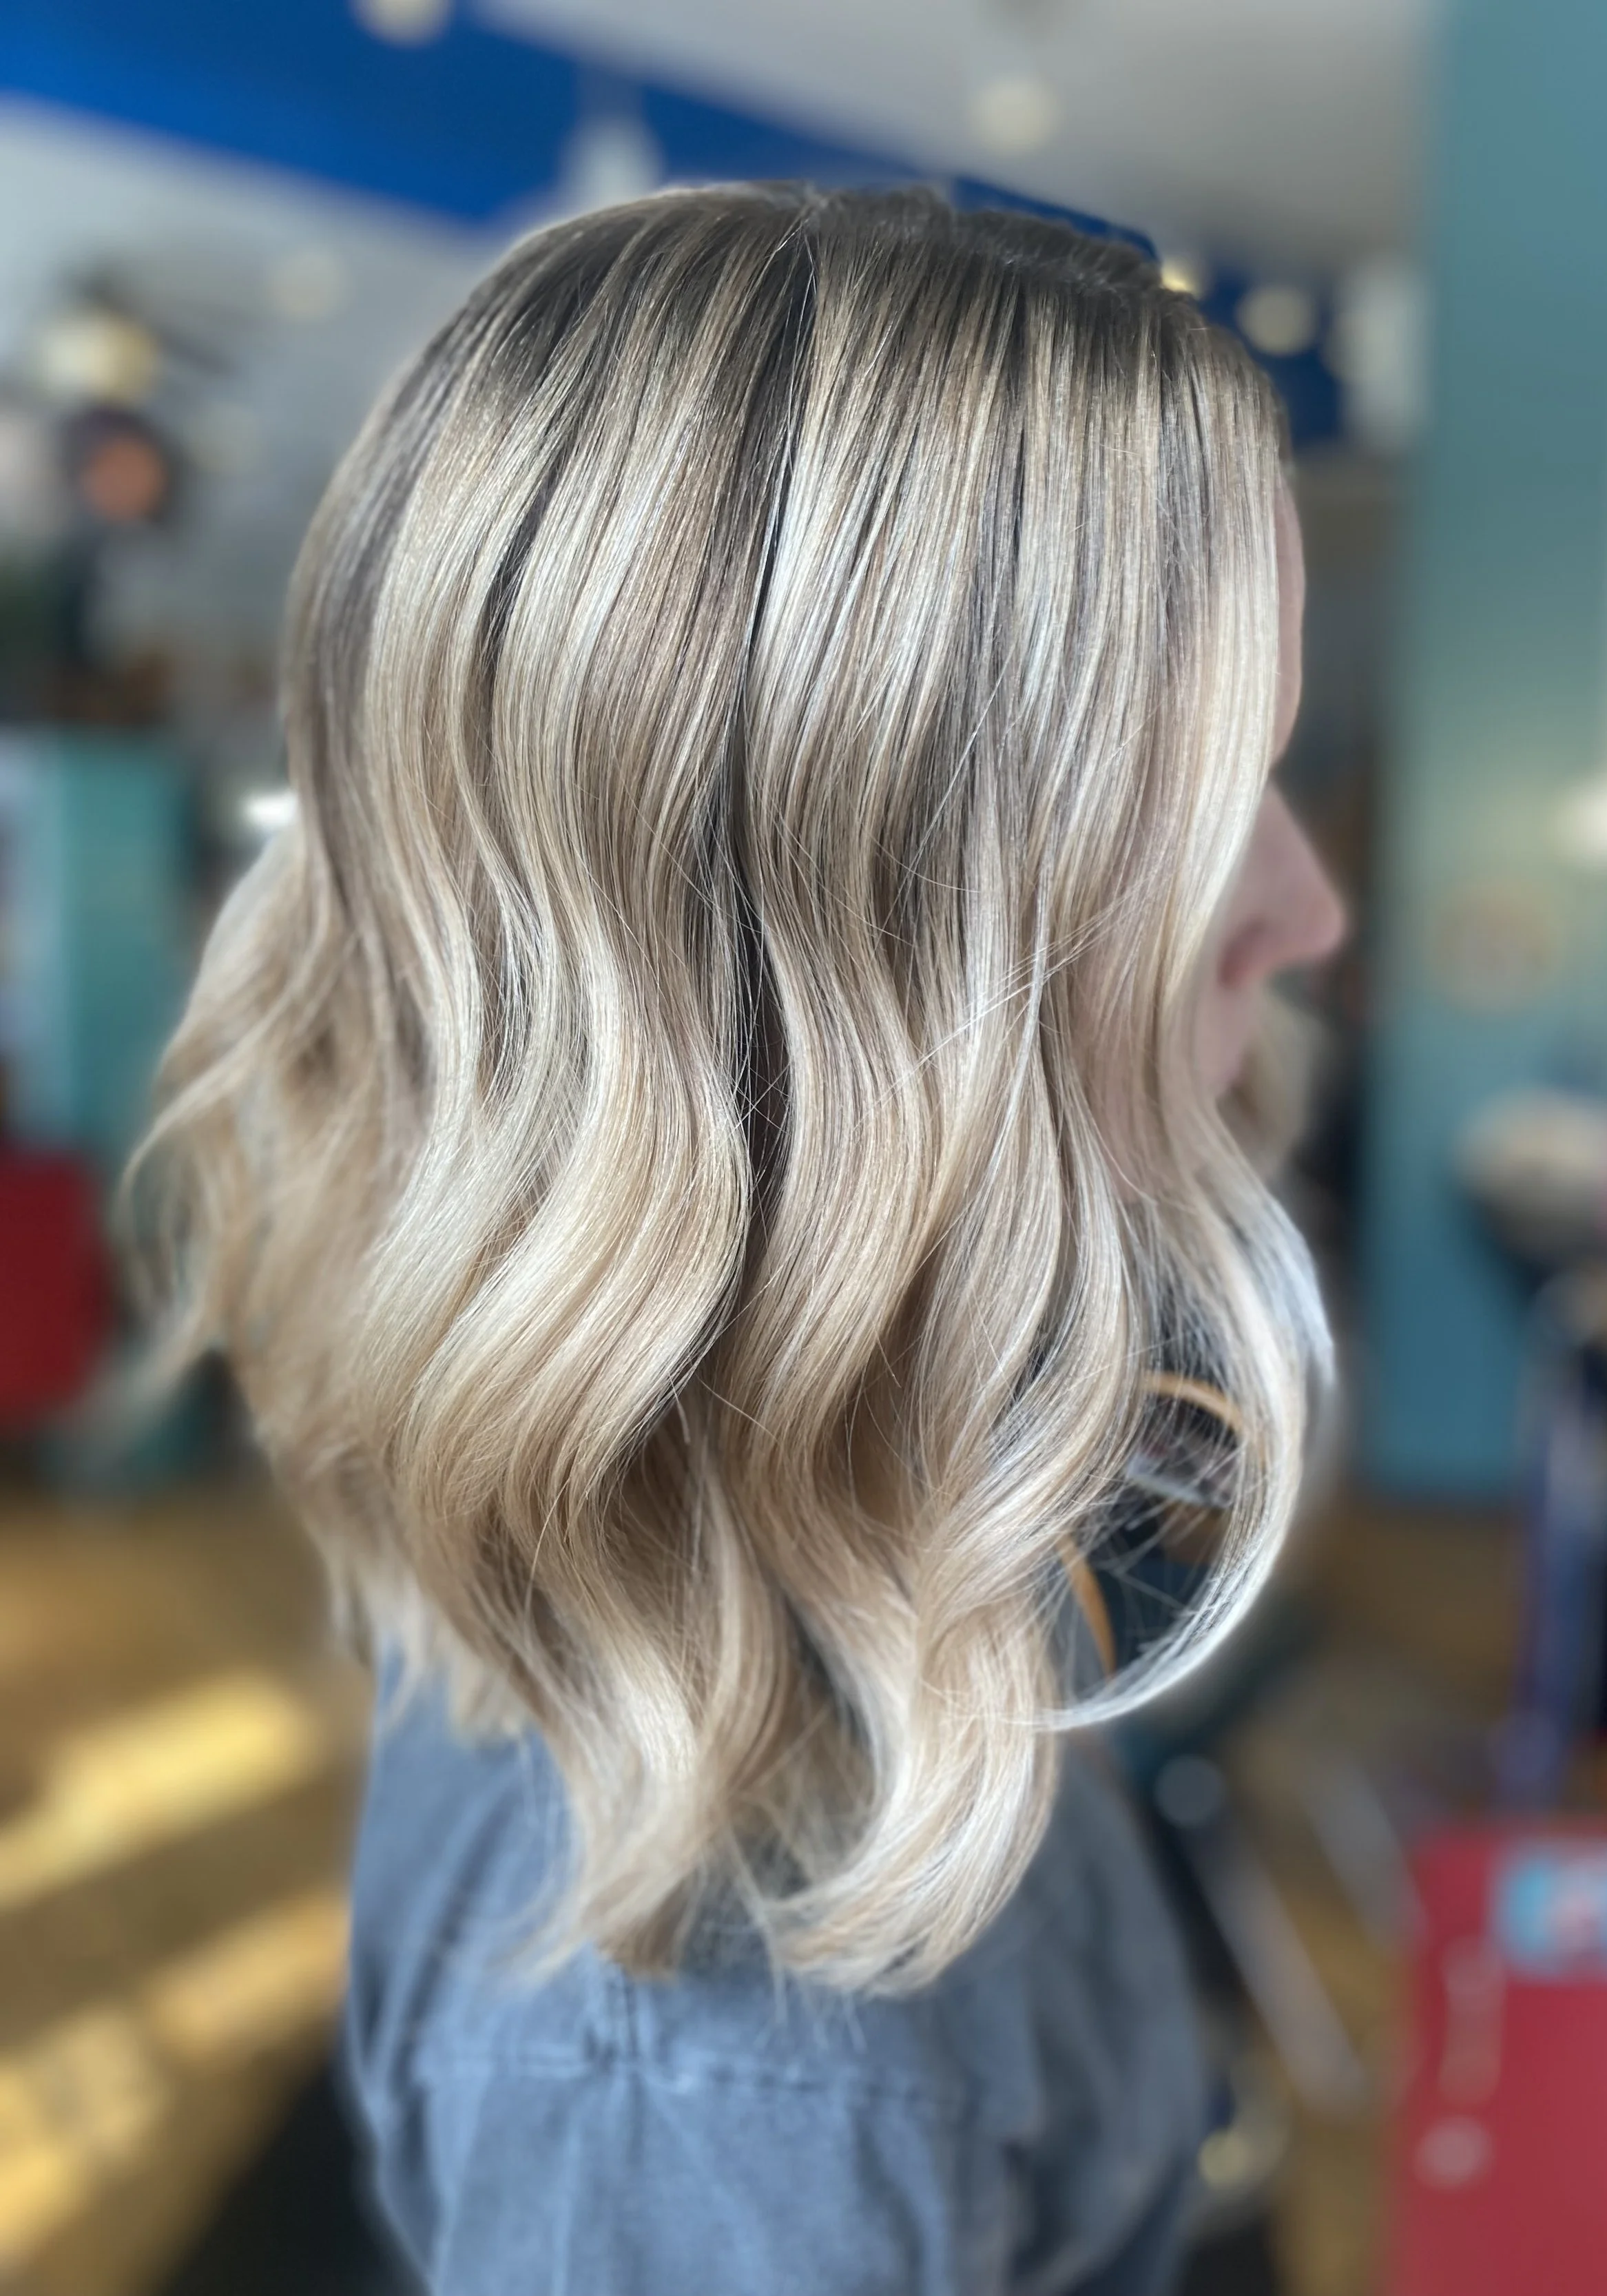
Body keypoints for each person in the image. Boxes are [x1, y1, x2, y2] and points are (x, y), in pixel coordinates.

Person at [132, 183, 1345, 2295]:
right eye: (1206, 786)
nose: (1306, 903)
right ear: (843, 951)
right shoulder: (724, 2087)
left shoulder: (856, 1497)